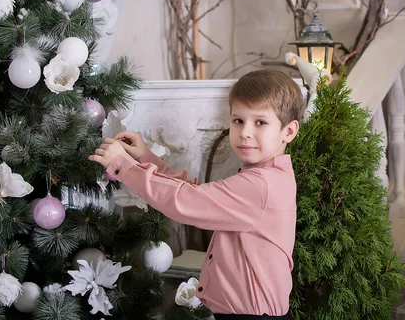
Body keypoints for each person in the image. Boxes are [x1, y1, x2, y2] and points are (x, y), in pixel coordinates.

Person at [89, 69, 304, 320]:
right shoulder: (267, 176)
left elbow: (185, 201)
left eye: (260, 122)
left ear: (288, 131)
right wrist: (146, 158)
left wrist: (123, 166)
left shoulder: (259, 185)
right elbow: (198, 194)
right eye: (238, 121)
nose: (246, 132)